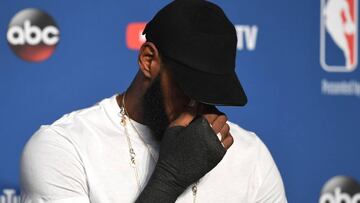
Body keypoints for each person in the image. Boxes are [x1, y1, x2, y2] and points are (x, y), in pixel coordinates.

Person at [20, 0, 287, 202]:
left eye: (213, 94)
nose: (199, 106)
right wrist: (168, 180)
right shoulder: (64, 148)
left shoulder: (252, 156)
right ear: (149, 60)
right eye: (190, 89)